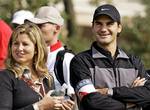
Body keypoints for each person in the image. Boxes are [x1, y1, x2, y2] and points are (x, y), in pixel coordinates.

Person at [70, 4, 150, 110]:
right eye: (98, 24)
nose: (103, 29)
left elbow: (147, 94)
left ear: (119, 27)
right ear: (93, 27)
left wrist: (108, 91)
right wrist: (129, 103)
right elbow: (91, 101)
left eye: (109, 24)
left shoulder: (134, 62)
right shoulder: (80, 61)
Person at [0, 22, 74, 110]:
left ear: (36, 48)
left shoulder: (47, 78)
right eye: (15, 44)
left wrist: (59, 105)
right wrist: (39, 106)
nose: (19, 48)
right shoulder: (6, 77)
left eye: (25, 44)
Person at [27, 6, 75, 100]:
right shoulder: (29, 55)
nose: (36, 30)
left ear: (57, 28)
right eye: (34, 25)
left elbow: (72, 97)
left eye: (41, 25)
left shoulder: (66, 59)